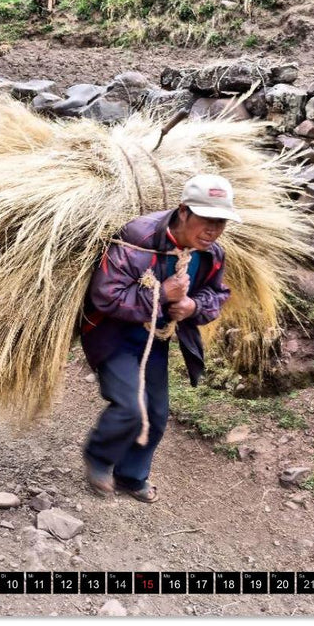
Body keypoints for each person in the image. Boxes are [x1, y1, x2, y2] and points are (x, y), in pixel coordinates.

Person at [79, 174, 238, 503]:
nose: (213, 230)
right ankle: (98, 457)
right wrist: (162, 295)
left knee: (157, 412)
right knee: (129, 407)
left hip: (155, 339)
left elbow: (216, 295)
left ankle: (131, 475)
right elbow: (104, 296)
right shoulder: (138, 238)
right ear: (183, 211)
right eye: (207, 220)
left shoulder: (210, 254)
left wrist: (193, 305)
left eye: (220, 222)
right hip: (111, 334)